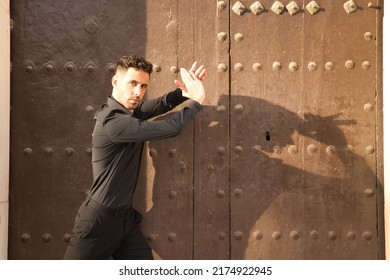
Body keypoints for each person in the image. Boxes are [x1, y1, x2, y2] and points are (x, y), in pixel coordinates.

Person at [63, 55, 206, 260]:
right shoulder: (113, 122)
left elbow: (162, 103)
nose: (138, 92)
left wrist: (184, 92)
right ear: (115, 81)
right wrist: (196, 101)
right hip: (98, 223)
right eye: (133, 83)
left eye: (143, 86)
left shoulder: (129, 112)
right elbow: (171, 128)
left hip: (125, 222)